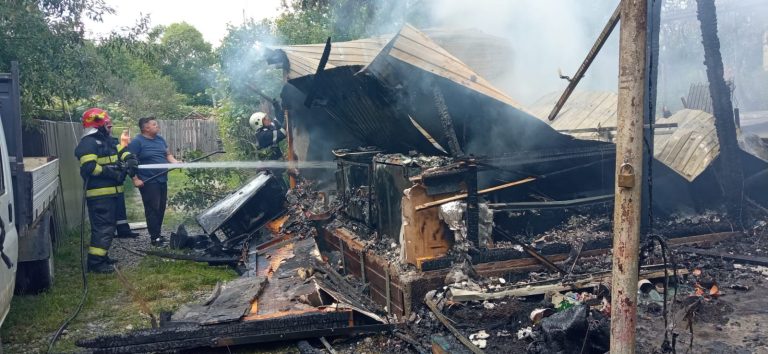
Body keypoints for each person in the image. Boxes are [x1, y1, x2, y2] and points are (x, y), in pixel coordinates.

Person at [74, 108, 138, 273]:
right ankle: (95, 263)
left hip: (112, 193)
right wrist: (112, 172)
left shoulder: (108, 140)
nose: (110, 126)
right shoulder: (88, 143)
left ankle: (102, 257)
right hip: (99, 195)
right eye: (107, 124)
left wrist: (130, 160)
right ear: (98, 125)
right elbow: (89, 167)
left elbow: (122, 151)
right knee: (103, 228)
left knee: (108, 228)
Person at [128, 117, 180, 246]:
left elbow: (168, 155)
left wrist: (176, 162)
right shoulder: (137, 142)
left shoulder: (160, 139)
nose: (157, 126)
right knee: (153, 209)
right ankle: (154, 238)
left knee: (161, 208)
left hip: (162, 178)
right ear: (146, 128)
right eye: (154, 124)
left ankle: (157, 234)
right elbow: (129, 163)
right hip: (148, 180)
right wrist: (135, 179)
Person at [114, 129, 139, 238]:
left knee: (120, 209)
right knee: (109, 212)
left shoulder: (111, 142)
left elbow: (122, 151)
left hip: (117, 184)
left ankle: (123, 231)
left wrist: (130, 159)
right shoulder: (92, 144)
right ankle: (110, 232)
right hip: (102, 187)